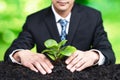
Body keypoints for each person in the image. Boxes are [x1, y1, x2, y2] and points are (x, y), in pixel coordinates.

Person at [4, 0, 115, 75]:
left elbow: (108, 53)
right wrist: (20, 54)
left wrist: (94, 55)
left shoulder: (92, 16)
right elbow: (12, 51)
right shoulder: (34, 20)